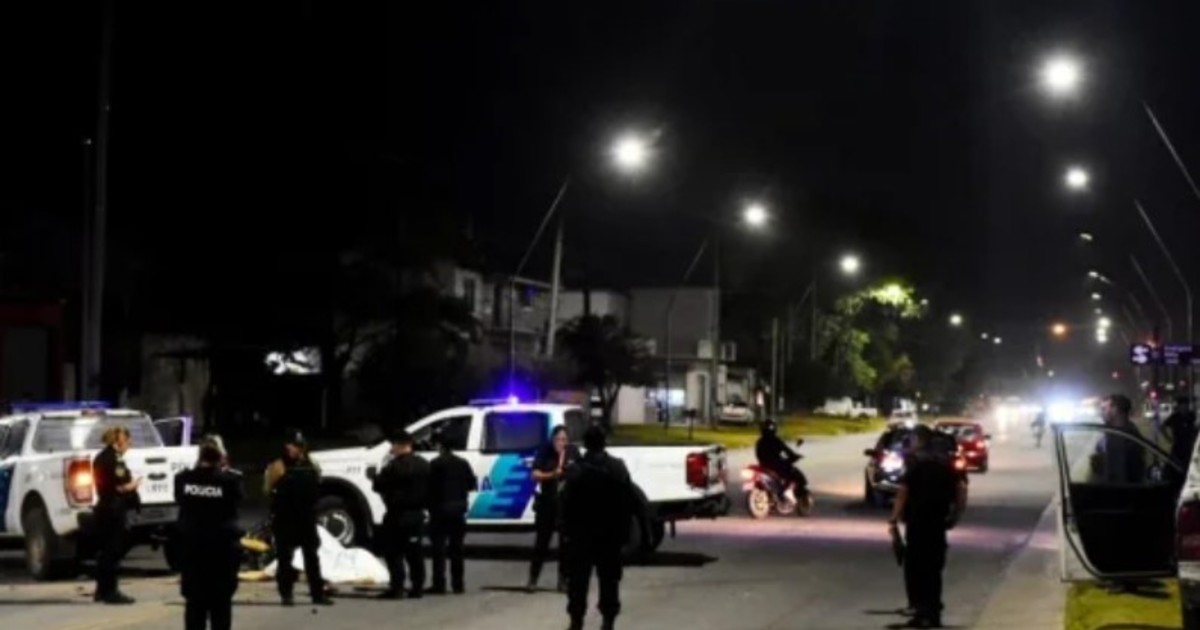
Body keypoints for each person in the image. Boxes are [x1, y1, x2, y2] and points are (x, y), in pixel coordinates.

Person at [888, 424, 969, 629]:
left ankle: (921, 612)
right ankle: (933, 613)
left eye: (912, 440)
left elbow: (903, 492)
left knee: (916, 568)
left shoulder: (915, 462)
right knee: (934, 569)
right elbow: (961, 489)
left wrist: (894, 518)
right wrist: (956, 515)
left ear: (918, 439)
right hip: (938, 523)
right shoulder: (945, 462)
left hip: (918, 523)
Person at [560, 426, 636, 630]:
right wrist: (624, 533)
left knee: (578, 582)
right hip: (609, 535)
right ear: (604, 442)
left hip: (582, 535)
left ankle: (576, 621)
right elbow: (627, 501)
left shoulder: (576, 469)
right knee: (609, 580)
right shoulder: (617, 467)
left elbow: (565, 503)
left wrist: (565, 532)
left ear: (585, 444)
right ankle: (608, 620)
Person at [175, 442, 244, 630]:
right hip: (222, 552)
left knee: (194, 606)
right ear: (220, 459)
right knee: (221, 606)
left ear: (199, 457)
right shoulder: (230, 481)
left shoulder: (183, 479)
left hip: (193, 550)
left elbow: (180, 500)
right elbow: (238, 499)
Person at [265, 430, 332, 606]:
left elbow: (318, 482)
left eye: (296, 445)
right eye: (290, 444)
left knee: (312, 557)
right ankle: (286, 595)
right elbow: (268, 489)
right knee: (284, 559)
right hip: (285, 518)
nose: (291, 448)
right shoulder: (278, 466)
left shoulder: (312, 463)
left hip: (306, 518)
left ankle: (317, 594)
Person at [373, 429, 430, 599]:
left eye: (393, 445)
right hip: (417, 514)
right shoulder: (424, 464)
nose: (392, 448)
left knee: (394, 553)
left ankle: (397, 588)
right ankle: (417, 588)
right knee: (415, 553)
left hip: (397, 515)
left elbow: (378, 485)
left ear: (399, 445)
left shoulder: (393, 466)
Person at [527, 425, 581, 592]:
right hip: (547, 503)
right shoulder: (545, 451)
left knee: (566, 546)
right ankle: (533, 578)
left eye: (564, 440)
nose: (560, 443)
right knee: (541, 543)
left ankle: (563, 580)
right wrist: (552, 475)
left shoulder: (573, 452)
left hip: (566, 506)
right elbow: (535, 474)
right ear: (552, 439)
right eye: (558, 439)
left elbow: (581, 472)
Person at [92, 425, 141, 605]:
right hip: (114, 509)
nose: (129, 444)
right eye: (127, 440)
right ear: (119, 441)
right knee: (113, 552)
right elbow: (119, 486)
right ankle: (111, 591)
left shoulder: (99, 457)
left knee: (104, 552)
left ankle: (101, 589)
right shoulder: (116, 459)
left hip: (103, 508)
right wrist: (133, 485)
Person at [426, 427, 477, 594]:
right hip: (458, 510)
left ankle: (439, 584)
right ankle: (458, 584)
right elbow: (471, 484)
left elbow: (429, 487)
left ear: (440, 446)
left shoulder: (435, 464)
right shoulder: (462, 463)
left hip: (439, 511)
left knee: (438, 550)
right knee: (457, 549)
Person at [1091, 394, 1146, 484]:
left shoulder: (1125, 438)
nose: (1101, 413)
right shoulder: (1113, 433)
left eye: (1104, 409)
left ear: (1115, 410)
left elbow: (1120, 475)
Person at [754, 420, 808, 505]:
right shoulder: (775, 440)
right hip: (777, 465)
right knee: (793, 474)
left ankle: (779, 494)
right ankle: (784, 492)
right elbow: (787, 451)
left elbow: (758, 455)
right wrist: (794, 456)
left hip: (764, 466)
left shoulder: (759, 442)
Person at [1164, 397, 1197, 469]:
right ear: (1179, 407)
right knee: (1174, 466)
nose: (1184, 408)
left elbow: (1196, 427)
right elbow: (1163, 426)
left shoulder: (1192, 415)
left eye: (1186, 406)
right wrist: (1167, 437)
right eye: (1182, 406)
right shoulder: (1174, 417)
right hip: (1177, 446)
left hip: (1189, 446)